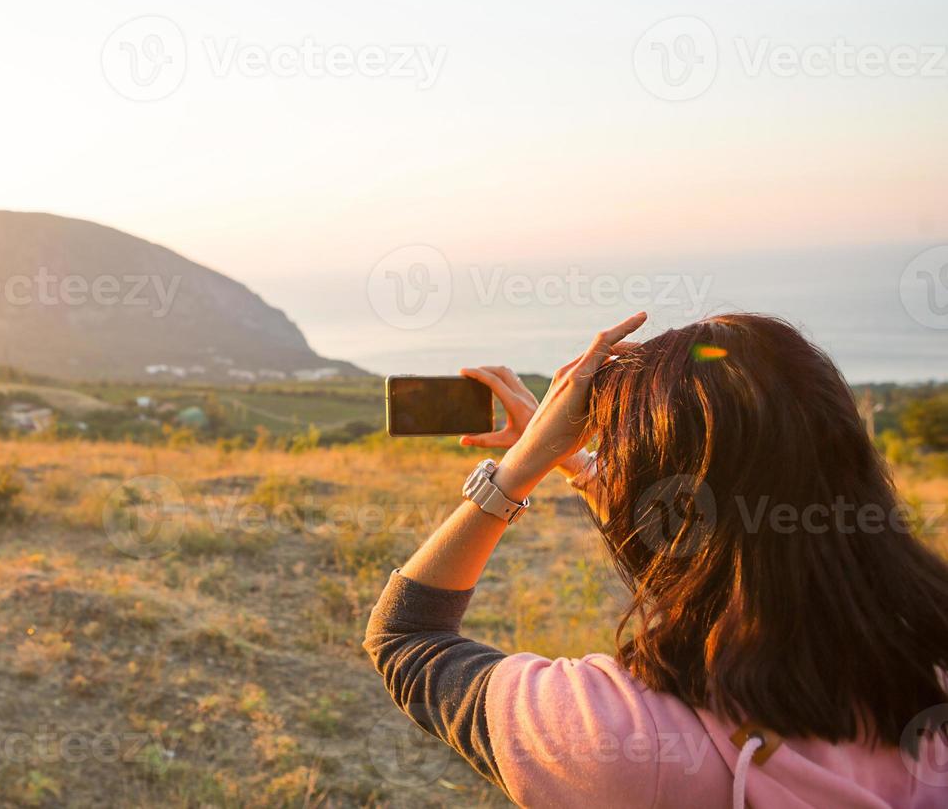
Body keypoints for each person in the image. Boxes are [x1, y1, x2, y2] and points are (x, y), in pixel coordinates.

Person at [365, 312, 948, 808]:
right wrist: (580, 466)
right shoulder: (925, 669)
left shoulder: (629, 740)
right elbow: (730, 554)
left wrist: (522, 466)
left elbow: (407, 639)